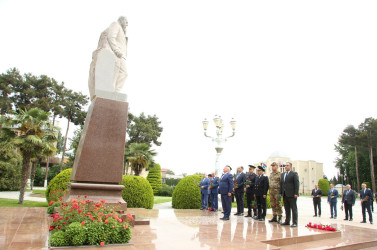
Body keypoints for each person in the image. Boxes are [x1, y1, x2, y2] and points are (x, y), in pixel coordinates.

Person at [88, 16, 128, 100]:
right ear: (122, 20)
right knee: (113, 72)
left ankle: (116, 93)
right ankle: (111, 92)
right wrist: (116, 50)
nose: (127, 24)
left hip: (122, 56)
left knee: (124, 73)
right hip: (115, 53)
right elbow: (111, 37)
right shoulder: (116, 25)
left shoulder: (123, 32)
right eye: (126, 22)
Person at [280, 162, 299, 227]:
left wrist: (296, 193)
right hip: (285, 194)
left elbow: (296, 184)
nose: (286, 166)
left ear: (290, 166)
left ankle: (295, 222)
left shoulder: (294, 174)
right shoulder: (283, 174)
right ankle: (287, 221)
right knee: (286, 208)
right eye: (285, 165)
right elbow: (281, 184)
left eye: (287, 165)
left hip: (292, 194)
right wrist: (281, 192)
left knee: (293, 208)